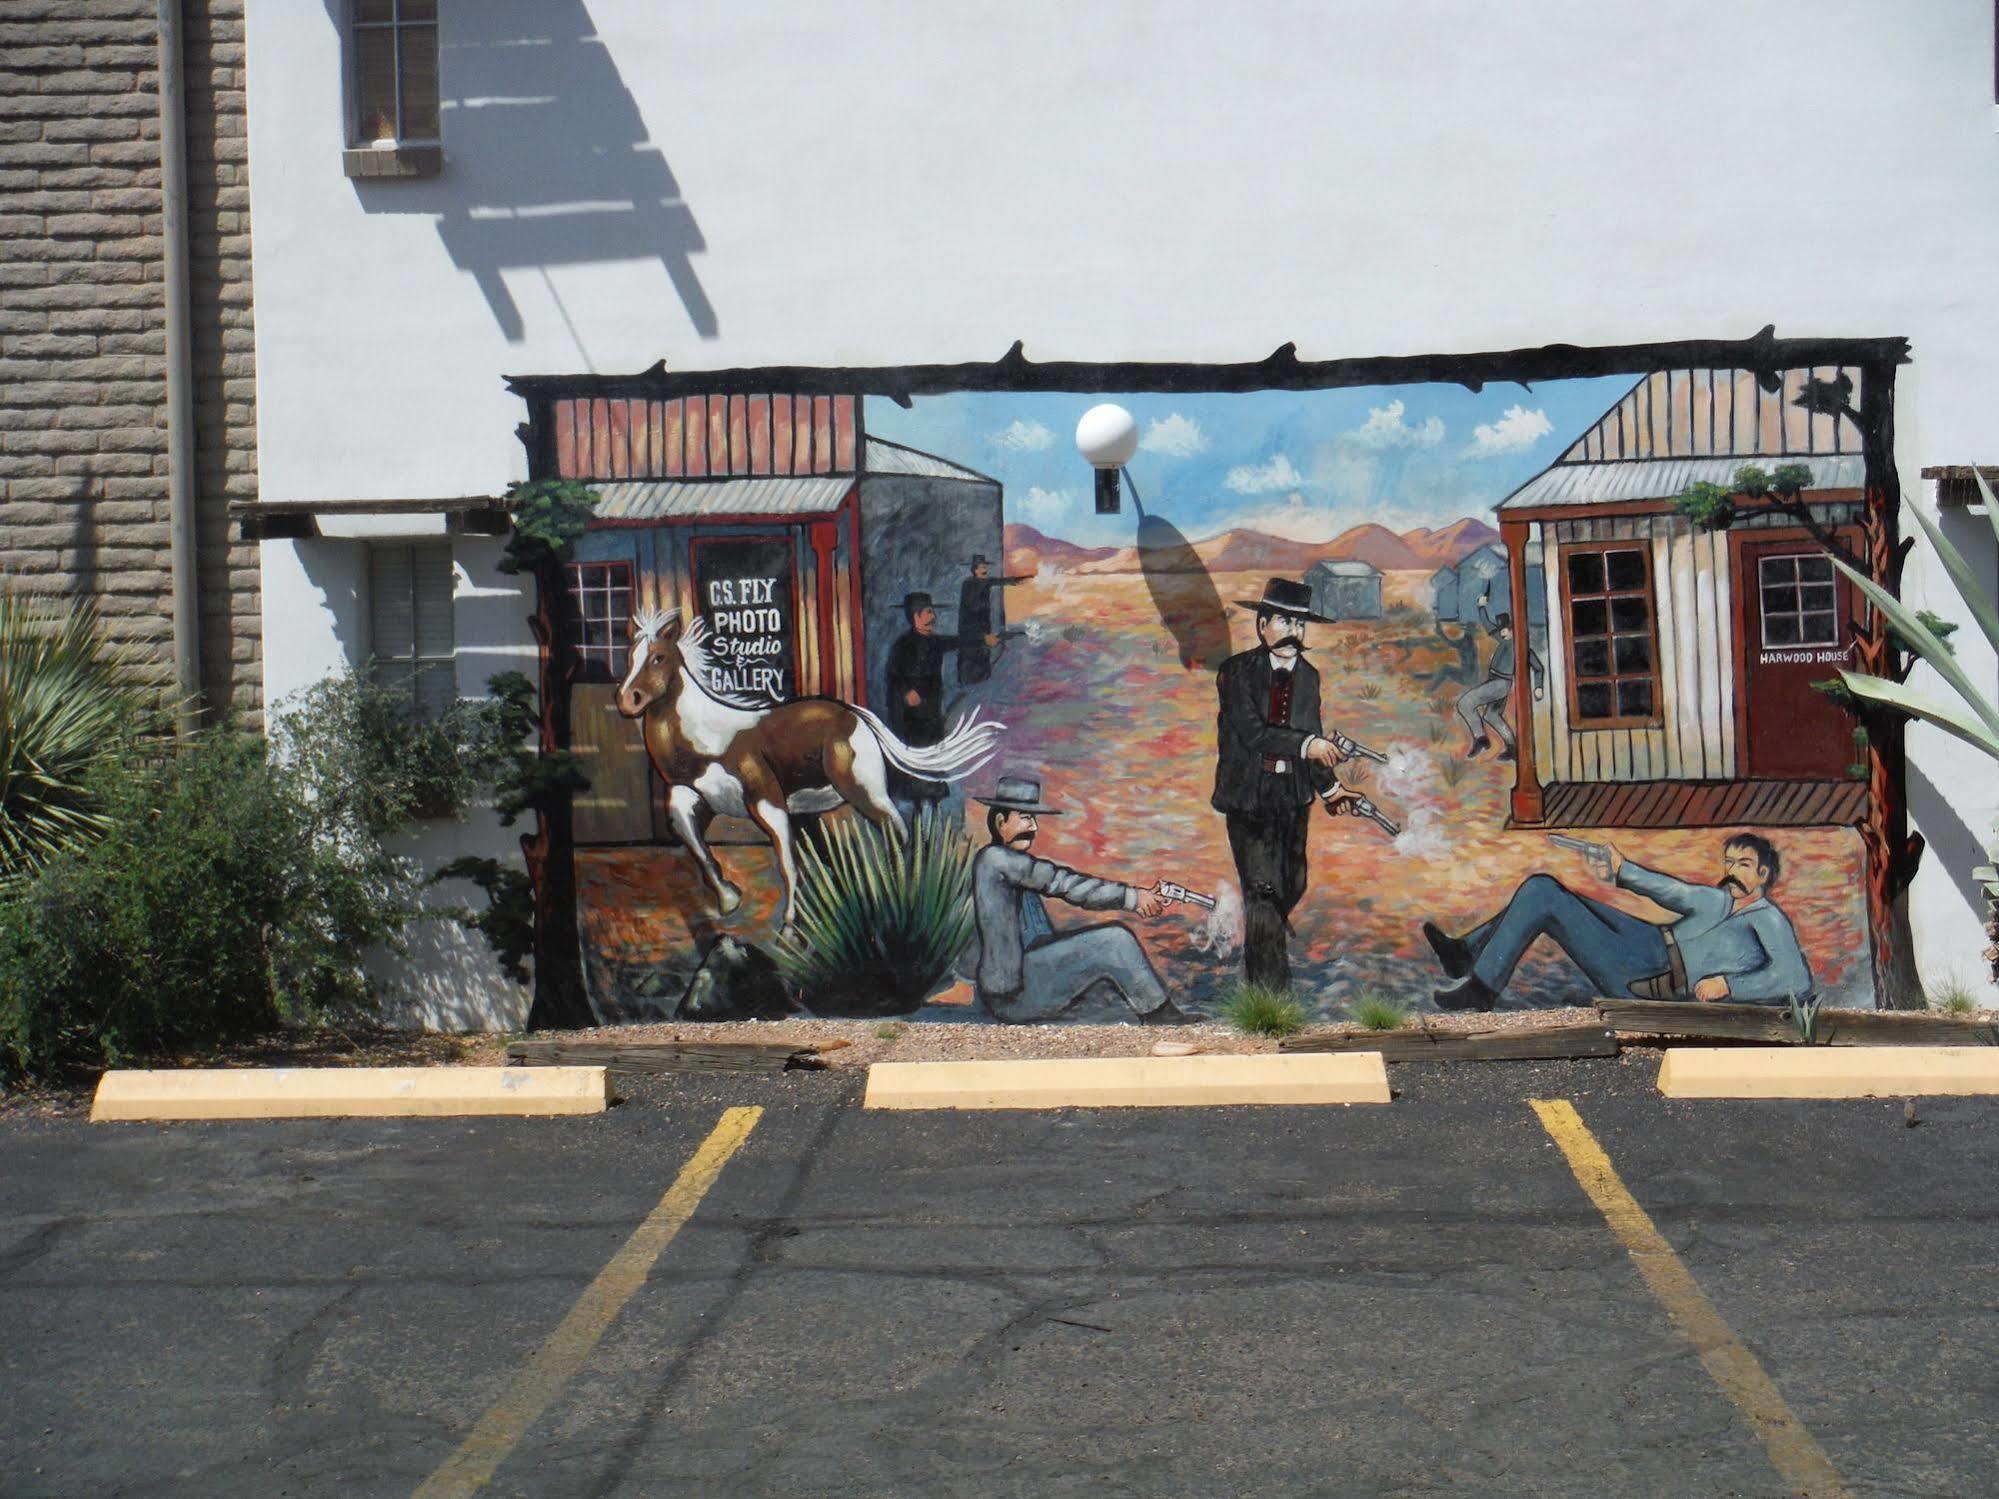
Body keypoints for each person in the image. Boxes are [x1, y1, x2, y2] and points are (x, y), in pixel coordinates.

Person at [1422, 833, 1813, 1012]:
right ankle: (1465, 953)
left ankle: (1480, 989)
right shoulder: (1719, 899)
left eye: (1743, 865)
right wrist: (1622, 869)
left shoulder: (1768, 920)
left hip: (1650, 979)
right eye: (1728, 862)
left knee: (1543, 896)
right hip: (1646, 943)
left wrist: (1729, 984)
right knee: (1543, 885)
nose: (1732, 871)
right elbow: (1672, 891)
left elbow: (1795, 979)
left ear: (1763, 875)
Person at [1211, 578, 1364, 991]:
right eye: (1284, 621)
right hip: (1249, 799)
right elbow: (1253, 733)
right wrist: (1310, 745)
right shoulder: (1236, 673)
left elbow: (1310, 735)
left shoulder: (1309, 677)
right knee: (1262, 892)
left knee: (1292, 885)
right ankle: (1270, 995)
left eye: (1300, 625)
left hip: (1292, 800)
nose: (1294, 633)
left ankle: (1264, 944)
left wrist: (1332, 791)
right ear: (1262, 625)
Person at [969, 774, 1195, 1025]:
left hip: (1021, 981)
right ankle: (1161, 1018)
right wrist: (1132, 897)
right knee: (1115, 941)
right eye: (1025, 818)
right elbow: (1064, 883)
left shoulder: (1005, 864)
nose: (1034, 827)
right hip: (1014, 996)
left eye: (1033, 819)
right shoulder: (995, 859)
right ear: (1001, 822)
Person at [884, 591, 998, 817]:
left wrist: (984, 640)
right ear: (915, 617)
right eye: (928, 612)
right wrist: (907, 692)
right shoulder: (903, 645)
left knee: (933, 771)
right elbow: (893, 677)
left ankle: (931, 811)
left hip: (932, 717)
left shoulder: (935, 642)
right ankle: (917, 816)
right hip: (910, 722)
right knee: (915, 774)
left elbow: (959, 641)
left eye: (932, 612)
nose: (932, 617)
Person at [1455, 590, 1544, 762]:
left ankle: (1481, 738)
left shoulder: (1521, 647)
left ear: (1515, 630)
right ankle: (1512, 747)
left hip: (1500, 684)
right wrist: (1481, 606)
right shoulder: (1504, 640)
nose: (1502, 632)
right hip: (1496, 682)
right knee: (1491, 716)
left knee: (1465, 703)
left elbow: (1538, 668)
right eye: (1502, 629)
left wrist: (1538, 686)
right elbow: (1487, 624)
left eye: (1507, 629)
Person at [955, 554, 1029, 686]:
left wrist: (1016, 580)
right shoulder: (968, 585)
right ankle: (969, 684)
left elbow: (1000, 581)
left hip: (983, 629)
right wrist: (982, 635)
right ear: (975, 569)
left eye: (985, 567)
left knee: (983, 661)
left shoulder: (986, 582)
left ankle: (981, 683)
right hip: (972, 632)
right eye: (982, 567)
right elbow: (969, 612)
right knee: (971, 661)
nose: (985, 569)